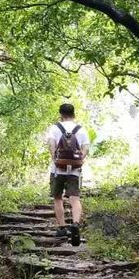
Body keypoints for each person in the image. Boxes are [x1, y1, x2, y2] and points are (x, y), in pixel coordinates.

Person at [47, 103, 90, 244]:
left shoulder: (55, 128)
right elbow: (85, 149)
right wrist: (79, 160)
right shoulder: (81, 129)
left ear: (61, 114)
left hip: (58, 169)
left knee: (58, 197)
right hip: (75, 170)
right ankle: (76, 224)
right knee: (75, 198)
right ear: (74, 114)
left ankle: (62, 228)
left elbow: (52, 146)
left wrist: (56, 159)